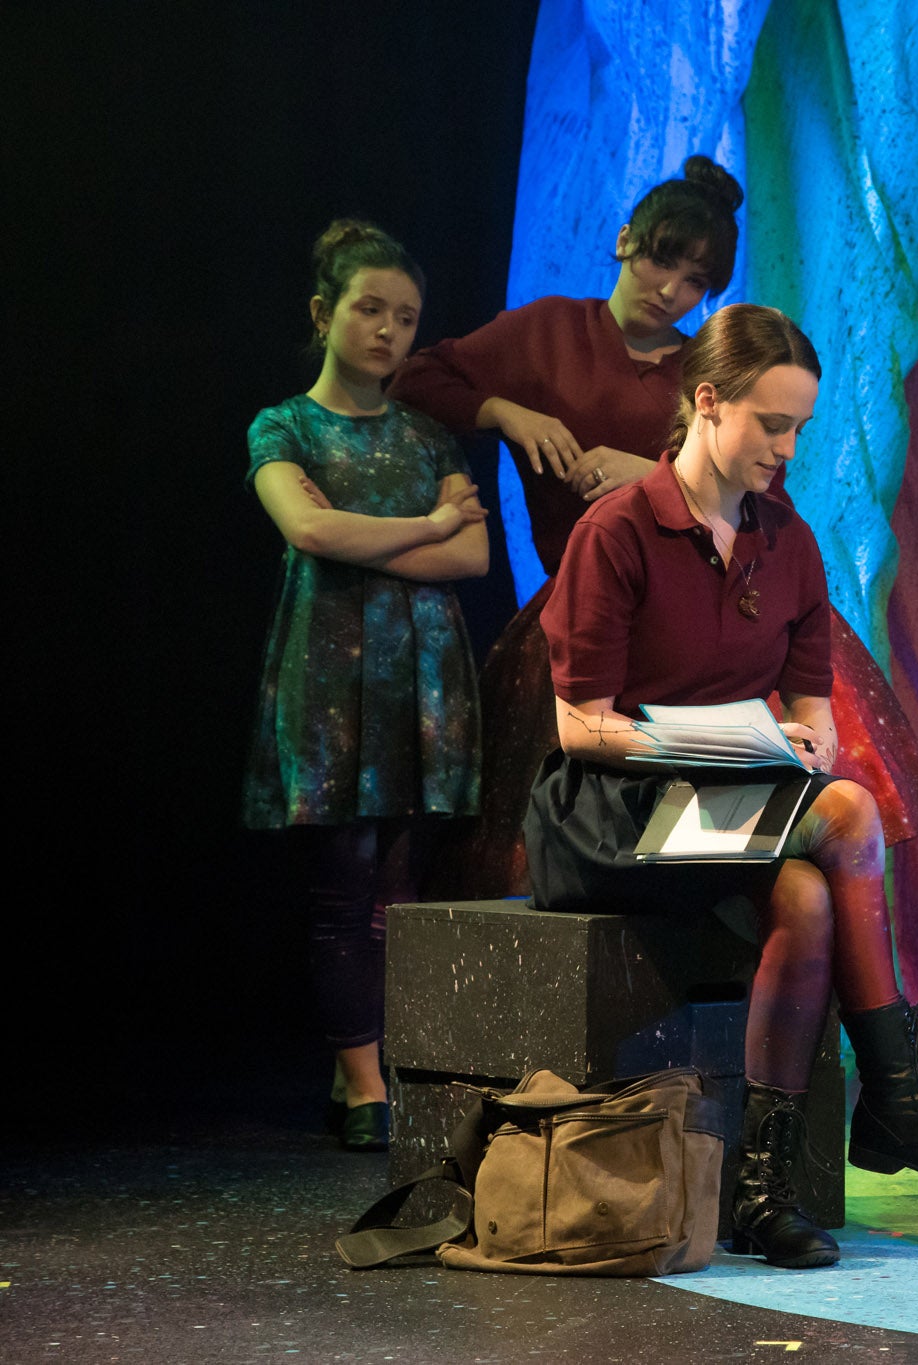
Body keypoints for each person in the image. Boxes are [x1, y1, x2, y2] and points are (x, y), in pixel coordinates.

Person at [524, 303, 918, 1269]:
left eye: (800, 425)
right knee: (846, 811)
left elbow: (814, 711)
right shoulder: (618, 529)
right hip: (616, 808)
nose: (788, 446)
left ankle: (761, 1191)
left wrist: (800, 742)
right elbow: (579, 725)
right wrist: (709, 741)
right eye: (772, 422)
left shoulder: (786, 541)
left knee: (805, 891)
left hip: (723, 804)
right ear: (708, 401)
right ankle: (899, 1091)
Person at [389, 157, 918, 894]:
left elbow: (761, 491)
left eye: (694, 281)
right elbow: (417, 378)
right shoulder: (549, 332)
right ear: (626, 241)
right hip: (601, 614)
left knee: (805, 871)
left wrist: (652, 473)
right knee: (555, 826)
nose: (670, 290)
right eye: (661, 261)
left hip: (710, 604)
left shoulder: (708, 370)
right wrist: (505, 412)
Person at [244, 220, 489, 1151]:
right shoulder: (284, 426)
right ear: (324, 312)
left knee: (402, 891)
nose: (389, 330)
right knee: (344, 887)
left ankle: (374, 1061)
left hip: (425, 678)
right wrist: (428, 525)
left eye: (407, 317)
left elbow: (473, 555)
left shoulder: (427, 436)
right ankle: (362, 1086)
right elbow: (308, 532)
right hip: (331, 673)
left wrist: (394, 534)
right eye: (370, 310)